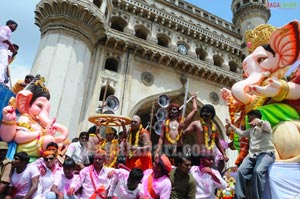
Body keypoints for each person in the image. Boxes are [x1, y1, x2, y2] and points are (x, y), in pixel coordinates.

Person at [225, 109, 275, 199]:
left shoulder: (265, 124)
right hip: (252, 156)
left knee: (258, 171)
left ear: (255, 117)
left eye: (250, 117)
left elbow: (266, 126)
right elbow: (242, 133)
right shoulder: (251, 130)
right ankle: (239, 197)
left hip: (266, 154)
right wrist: (231, 126)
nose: (248, 119)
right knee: (240, 171)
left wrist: (259, 121)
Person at [155, 95, 197, 161]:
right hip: (167, 149)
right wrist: (157, 151)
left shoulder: (182, 123)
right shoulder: (165, 123)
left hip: (178, 148)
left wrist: (194, 99)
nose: (172, 111)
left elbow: (194, 111)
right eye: (170, 110)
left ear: (178, 111)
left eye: (174, 109)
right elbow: (161, 138)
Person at [0, 20, 18, 84]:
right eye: (15, 26)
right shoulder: (6, 28)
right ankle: (0, 80)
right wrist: (11, 45)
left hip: (2, 47)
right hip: (1, 48)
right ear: (10, 24)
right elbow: (1, 36)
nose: (15, 28)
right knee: (3, 64)